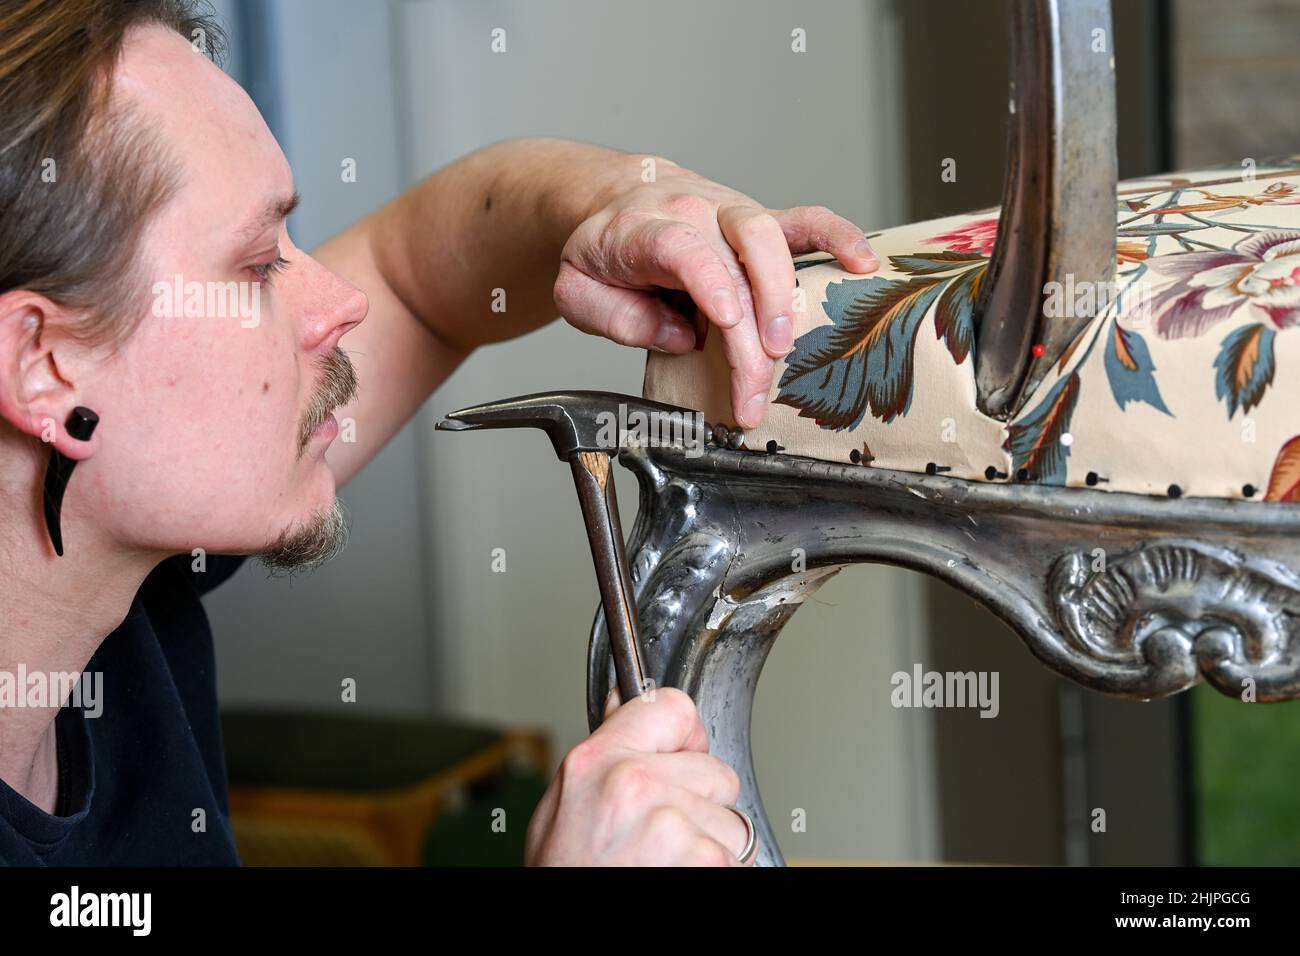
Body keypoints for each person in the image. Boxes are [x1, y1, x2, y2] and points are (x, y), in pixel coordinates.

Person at [0, 0, 878, 865]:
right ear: (42, 367)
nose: (341, 306)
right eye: (259, 265)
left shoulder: (116, 571)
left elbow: (416, 270)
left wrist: (638, 200)